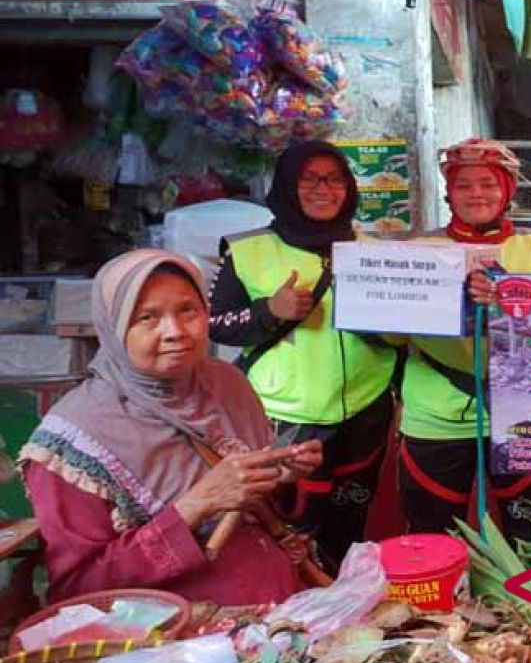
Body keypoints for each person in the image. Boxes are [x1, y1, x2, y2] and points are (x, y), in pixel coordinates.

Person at [19, 250, 323, 604]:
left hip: (281, 604)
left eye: (188, 311)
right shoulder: (72, 442)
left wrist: (282, 475)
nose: (175, 332)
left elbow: (260, 505)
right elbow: (79, 588)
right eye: (147, 317)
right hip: (179, 637)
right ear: (113, 328)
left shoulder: (227, 383)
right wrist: (199, 503)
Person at [208, 141, 398, 565]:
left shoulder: (375, 252)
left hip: (366, 412)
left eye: (333, 179)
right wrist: (270, 311)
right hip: (285, 417)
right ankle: (287, 616)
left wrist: (388, 328)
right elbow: (213, 324)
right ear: (286, 187)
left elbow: (399, 336)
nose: (322, 189)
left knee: (349, 523)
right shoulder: (247, 249)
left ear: (349, 188)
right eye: (308, 179)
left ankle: (342, 606)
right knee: (286, 529)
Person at [400, 138, 531, 542]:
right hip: (436, 412)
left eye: (488, 184)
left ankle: (525, 605)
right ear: (449, 192)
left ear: (506, 190)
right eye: (463, 185)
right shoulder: (419, 250)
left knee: (529, 533)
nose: (476, 194)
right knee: (432, 533)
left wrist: (509, 304)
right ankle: (439, 606)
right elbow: (389, 330)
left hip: (520, 410)